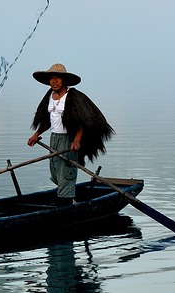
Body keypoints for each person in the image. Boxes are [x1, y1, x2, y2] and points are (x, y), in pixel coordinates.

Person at [26, 63, 114, 203]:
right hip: (54, 139)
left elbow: (82, 122)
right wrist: (36, 134)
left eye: (58, 78)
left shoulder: (73, 96)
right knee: (55, 172)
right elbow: (48, 121)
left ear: (64, 80)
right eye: (51, 78)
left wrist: (77, 140)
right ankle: (68, 196)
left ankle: (66, 202)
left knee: (66, 173)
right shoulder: (50, 96)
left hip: (68, 140)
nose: (54, 81)